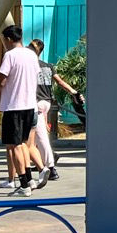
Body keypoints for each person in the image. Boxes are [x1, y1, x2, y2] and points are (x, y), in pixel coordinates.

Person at [0, 26, 43, 194]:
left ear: (8, 39)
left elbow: (1, 81)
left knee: (14, 145)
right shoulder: (31, 55)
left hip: (13, 106)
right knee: (22, 143)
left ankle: (23, 184)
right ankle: (28, 180)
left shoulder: (10, 56)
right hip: (29, 105)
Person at [26, 40, 77, 183]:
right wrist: (73, 91)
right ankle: (47, 165)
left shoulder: (29, 65)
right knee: (40, 136)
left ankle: (47, 167)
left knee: (36, 138)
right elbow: (60, 82)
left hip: (34, 102)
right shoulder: (48, 66)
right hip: (46, 102)